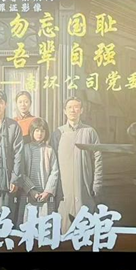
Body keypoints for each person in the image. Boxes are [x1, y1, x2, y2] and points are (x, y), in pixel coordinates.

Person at [51, 96, 103, 231]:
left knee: (85, 224)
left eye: (76, 107)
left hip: (84, 184)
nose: (73, 110)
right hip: (63, 187)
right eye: (69, 107)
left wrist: (96, 184)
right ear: (64, 111)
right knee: (64, 224)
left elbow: (98, 159)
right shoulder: (58, 133)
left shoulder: (89, 132)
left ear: (81, 110)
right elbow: (52, 162)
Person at [17, 117, 59, 224]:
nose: (39, 134)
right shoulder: (25, 149)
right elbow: (21, 172)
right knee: (28, 224)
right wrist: (31, 190)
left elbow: (54, 172)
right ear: (32, 132)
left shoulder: (49, 150)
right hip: (28, 194)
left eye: (42, 131)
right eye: (37, 130)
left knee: (45, 225)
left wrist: (47, 191)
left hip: (45, 195)